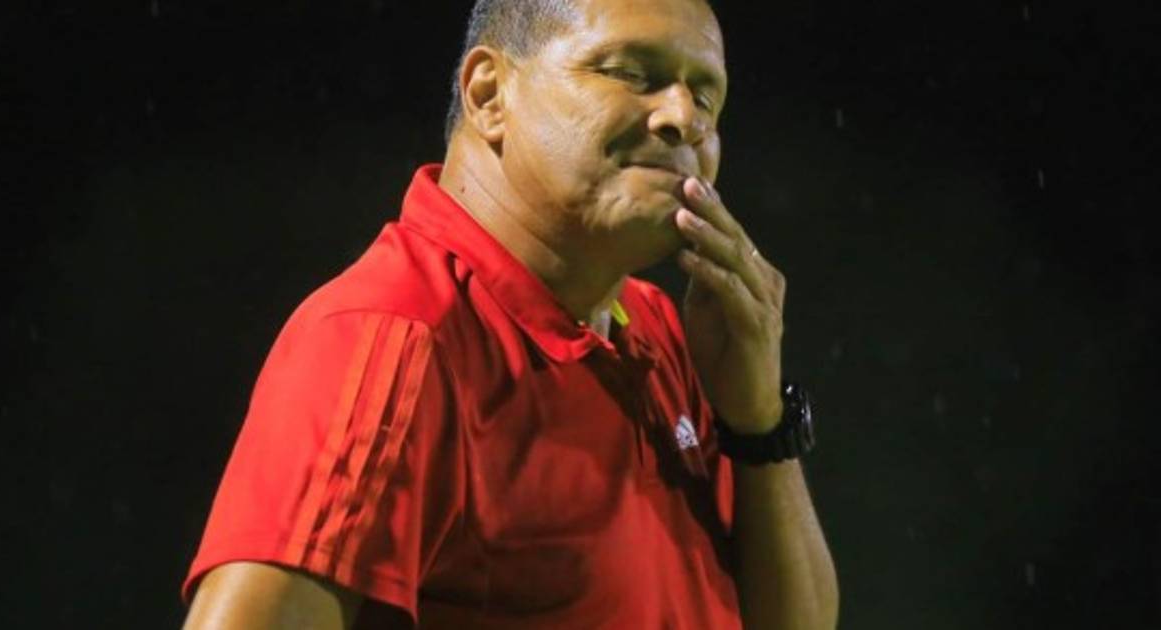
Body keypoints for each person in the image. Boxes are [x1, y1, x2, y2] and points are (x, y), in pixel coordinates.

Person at [181, 0, 839, 627]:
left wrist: (759, 424)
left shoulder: (661, 330)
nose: (681, 118)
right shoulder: (395, 335)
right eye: (631, 73)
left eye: (706, 97)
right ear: (490, 94)